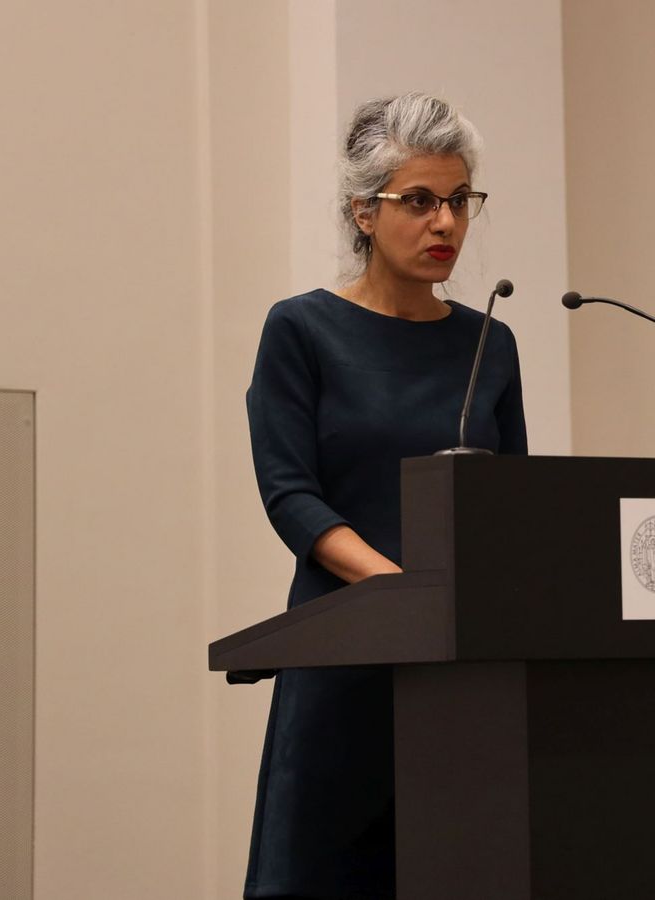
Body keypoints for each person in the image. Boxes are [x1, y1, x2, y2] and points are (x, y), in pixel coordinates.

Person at [243, 92, 528, 900]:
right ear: (362, 212)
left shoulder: (488, 342)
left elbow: (509, 502)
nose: (445, 223)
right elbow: (291, 494)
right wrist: (398, 592)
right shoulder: (301, 330)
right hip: (346, 660)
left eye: (458, 201)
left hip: (463, 673)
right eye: (419, 201)